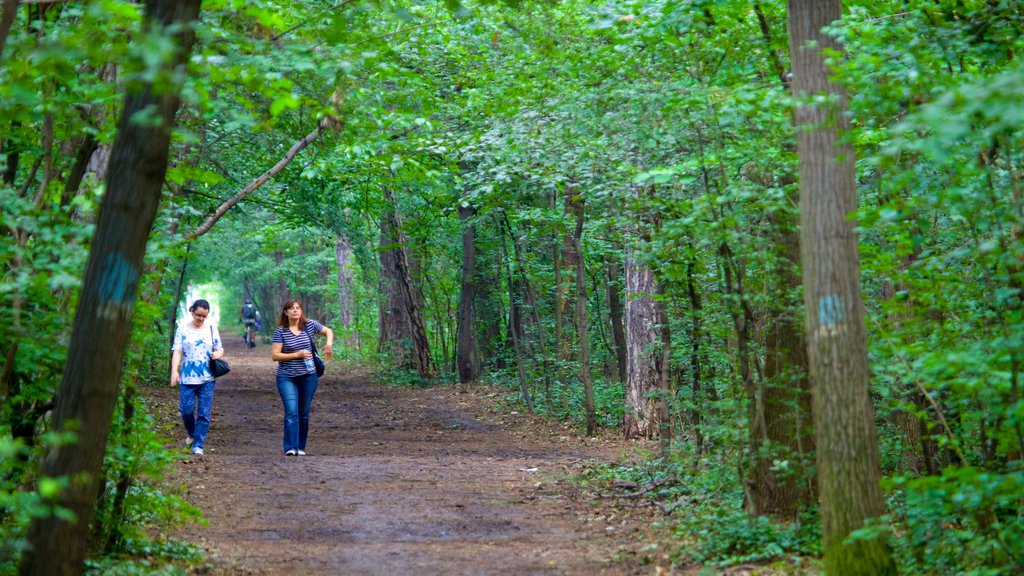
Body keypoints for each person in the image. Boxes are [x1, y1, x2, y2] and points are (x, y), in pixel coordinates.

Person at [271, 299, 333, 456]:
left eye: (297, 308)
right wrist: (297, 355)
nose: (295, 311)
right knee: (292, 411)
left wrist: (329, 344)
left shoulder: (309, 325)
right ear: (285, 312)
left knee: (303, 413)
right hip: (287, 377)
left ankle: (300, 446)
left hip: (309, 376)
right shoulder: (281, 331)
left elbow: (328, 331)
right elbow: (275, 356)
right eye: (291, 309)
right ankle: (290, 447)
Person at [170, 299, 224, 456]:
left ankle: (198, 445)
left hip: (207, 378)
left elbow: (220, 349)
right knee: (186, 411)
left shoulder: (212, 329)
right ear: (191, 311)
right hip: (187, 378)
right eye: (198, 315)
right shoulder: (182, 329)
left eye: (204, 316)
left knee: (204, 413)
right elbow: (177, 351)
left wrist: (217, 354)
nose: (201, 319)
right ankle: (191, 434)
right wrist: (175, 371)